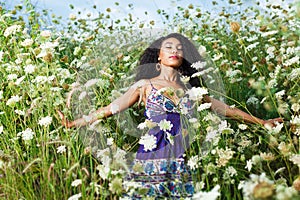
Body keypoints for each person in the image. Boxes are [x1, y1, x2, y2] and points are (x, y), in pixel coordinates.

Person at [57, 33, 283, 198]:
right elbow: (110, 109)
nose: (175, 50)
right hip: (149, 160)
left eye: (179, 48)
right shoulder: (144, 85)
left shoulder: (193, 91)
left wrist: (262, 122)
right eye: (168, 47)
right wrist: (73, 123)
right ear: (159, 56)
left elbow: (229, 110)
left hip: (181, 162)